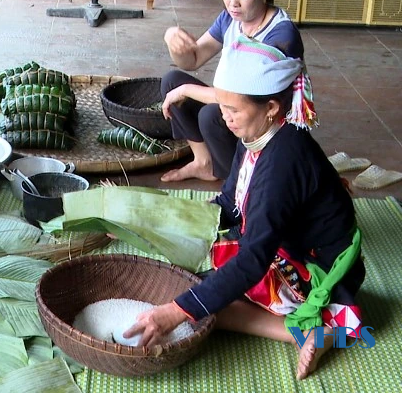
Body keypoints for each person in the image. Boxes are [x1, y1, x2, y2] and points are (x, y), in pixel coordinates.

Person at [123, 37, 363, 380]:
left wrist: (176, 312)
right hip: (287, 242)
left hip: (321, 266)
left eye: (233, 110)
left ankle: (315, 328)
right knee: (195, 288)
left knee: (197, 303)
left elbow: (253, 259)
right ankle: (310, 330)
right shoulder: (257, 136)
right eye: (223, 106)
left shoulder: (282, 161)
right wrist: (159, 221)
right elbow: (230, 204)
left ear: (270, 108)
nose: (225, 118)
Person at [160, 0, 306, 183]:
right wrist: (173, 42)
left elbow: (241, 97)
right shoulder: (230, 19)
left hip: (265, 123)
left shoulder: (281, 35)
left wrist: (186, 90)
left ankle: (236, 181)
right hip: (236, 106)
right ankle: (203, 162)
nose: (233, 2)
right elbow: (193, 60)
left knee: (210, 114)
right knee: (172, 81)